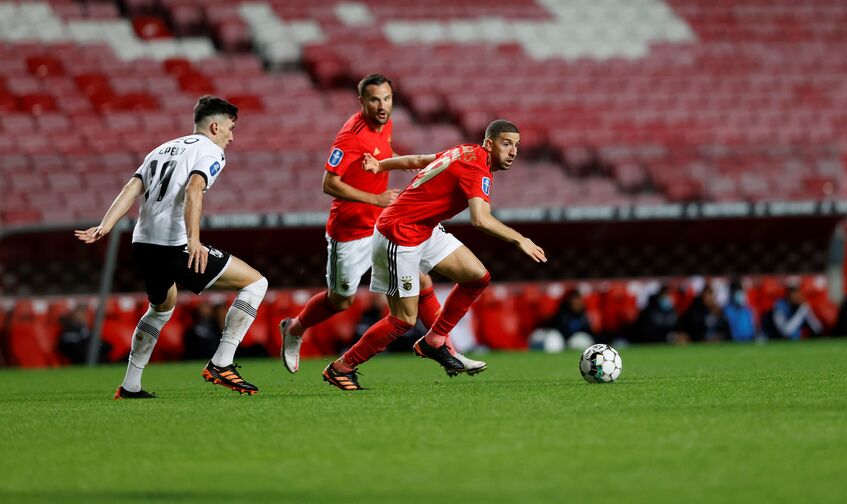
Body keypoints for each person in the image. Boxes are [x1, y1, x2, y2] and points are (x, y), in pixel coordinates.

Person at [278, 74, 486, 374]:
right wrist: (375, 199)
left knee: (422, 282)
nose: (382, 106)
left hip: (385, 226)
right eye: (375, 100)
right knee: (341, 300)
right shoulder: (350, 136)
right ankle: (295, 328)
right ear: (361, 102)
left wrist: (402, 164)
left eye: (387, 99)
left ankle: (447, 350)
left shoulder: (386, 124)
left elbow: (382, 154)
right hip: (350, 232)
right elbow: (329, 184)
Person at [321, 119, 547, 390]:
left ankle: (435, 340)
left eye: (516, 146)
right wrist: (520, 239)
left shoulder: (466, 151)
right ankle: (342, 367)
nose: (513, 152)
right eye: (507, 144)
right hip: (399, 233)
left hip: (425, 228)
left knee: (477, 276)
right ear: (489, 143)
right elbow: (480, 219)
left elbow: (418, 160)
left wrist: (381, 165)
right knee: (403, 319)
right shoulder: (477, 167)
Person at [75, 96, 269, 398]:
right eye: (230, 128)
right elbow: (194, 189)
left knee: (161, 308)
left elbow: (132, 188)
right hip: (173, 244)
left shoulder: (162, 149)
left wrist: (105, 226)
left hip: (143, 243)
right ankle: (222, 362)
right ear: (215, 126)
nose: (231, 137)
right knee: (256, 283)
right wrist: (193, 240)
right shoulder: (211, 151)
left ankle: (130, 385)